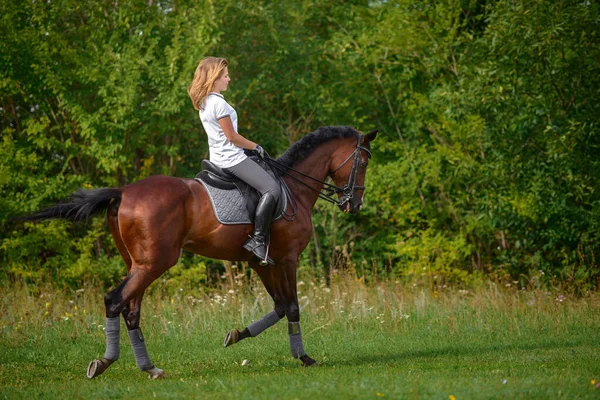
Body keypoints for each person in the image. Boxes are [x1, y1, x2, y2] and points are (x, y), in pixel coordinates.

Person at [188, 57, 280, 265]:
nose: (229, 79)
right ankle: (257, 239)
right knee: (272, 188)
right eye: (225, 76)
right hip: (232, 159)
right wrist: (256, 146)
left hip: (217, 157)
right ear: (215, 79)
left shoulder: (204, 102)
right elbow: (232, 137)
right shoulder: (219, 104)